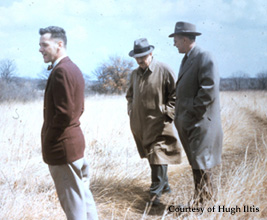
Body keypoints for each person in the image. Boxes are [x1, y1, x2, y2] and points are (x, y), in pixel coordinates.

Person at [39, 26, 98, 220]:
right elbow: (76, 110)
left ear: (59, 44)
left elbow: (64, 115)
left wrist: (50, 139)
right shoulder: (72, 68)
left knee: (74, 207)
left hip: (62, 148)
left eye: (44, 45)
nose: (40, 49)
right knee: (83, 199)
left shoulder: (61, 71)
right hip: (73, 144)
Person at [169, 21, 223, 206]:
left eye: (175, 40)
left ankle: (205, 203)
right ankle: (202, 200)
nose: (174, 43)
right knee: (197, 163)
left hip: (201, 122)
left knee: (201, 163)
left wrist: (192, 112)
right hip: (193, 123)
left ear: (185, 39)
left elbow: (209, 89)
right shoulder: (188, 58)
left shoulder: (204, 56)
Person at [126, 38, 182, 206]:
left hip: (159, 122)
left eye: (142, 56)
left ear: (151, 53)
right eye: (137, 57)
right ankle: (164, 187)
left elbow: (176, 94)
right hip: (140, 124)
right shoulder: (135, 74)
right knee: (152, 155)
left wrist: (167, 112)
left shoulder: (164, 70)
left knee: (158, 152)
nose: (139, 60)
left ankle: (154, 193)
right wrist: (131, 109)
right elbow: (129, 95)